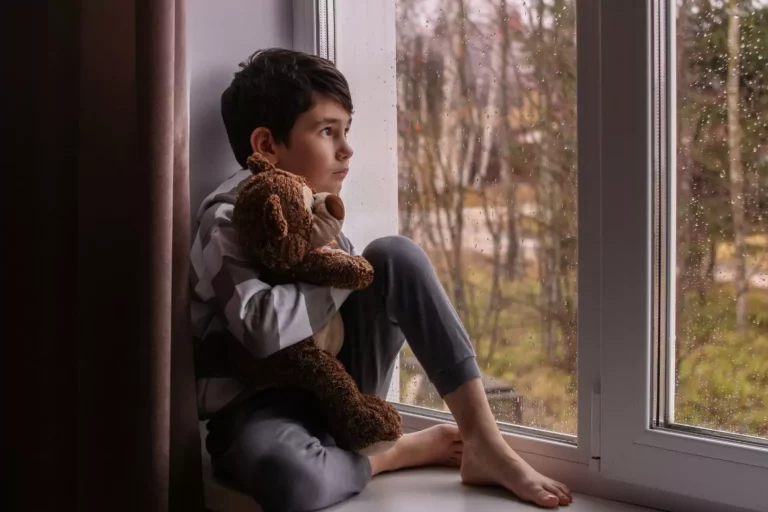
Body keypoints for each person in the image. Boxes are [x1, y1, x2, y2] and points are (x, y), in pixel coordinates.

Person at [191, 47, 572, 512]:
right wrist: (340, 271)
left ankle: (484, 441)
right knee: (291, 482)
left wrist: (342, 261)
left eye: (346, 131)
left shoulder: (318, 210)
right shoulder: (225, 219)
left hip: (338, 396)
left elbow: (342, 307)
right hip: (256, 413)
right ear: (267, 146)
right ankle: (391, 454)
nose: (346, 148)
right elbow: (261, 327)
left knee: (395, 255)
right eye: (327, 131)